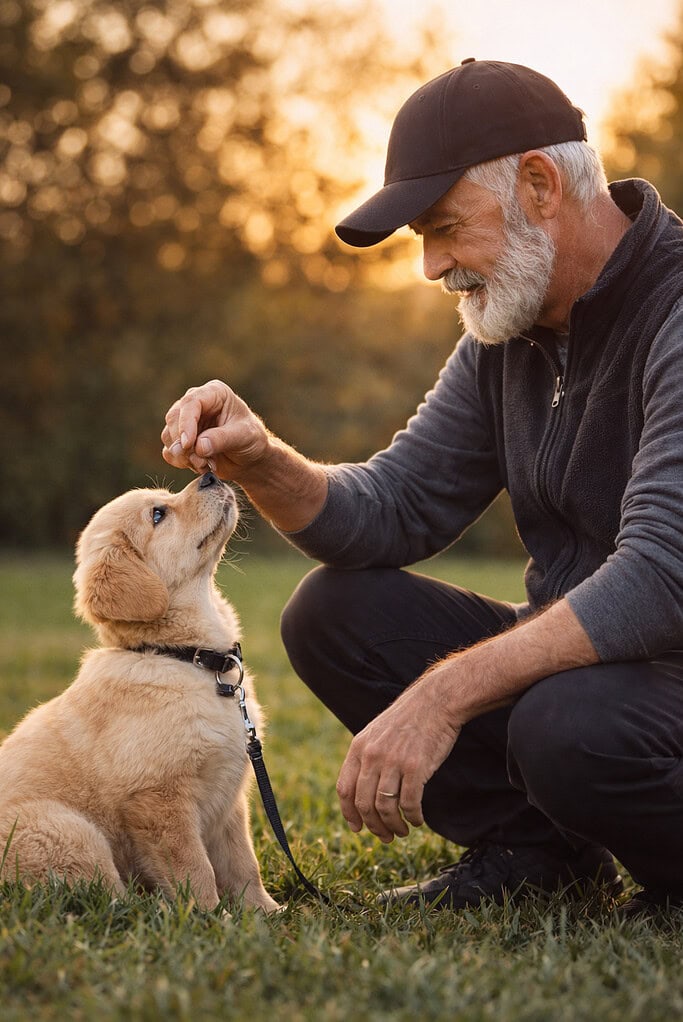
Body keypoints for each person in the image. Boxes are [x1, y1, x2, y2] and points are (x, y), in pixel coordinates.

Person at [161, 59, 683, 916]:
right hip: (593, 671)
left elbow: (664, 577)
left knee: (565, 724)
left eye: (445, 228)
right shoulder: (508, 327)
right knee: (334, 612)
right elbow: (392, 509)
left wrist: (440, 697)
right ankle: (538, 854)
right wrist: (259, 459)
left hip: (656, 662)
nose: (433, 266)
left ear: (540, 184)